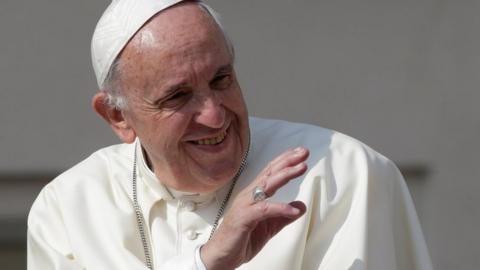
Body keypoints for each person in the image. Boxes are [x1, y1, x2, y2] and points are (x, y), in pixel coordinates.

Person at [27, 0, 433, 269]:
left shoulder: (343, 175)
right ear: (117, 116)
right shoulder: (65, 210)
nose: (215, 115)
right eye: (179, 96)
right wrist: (205, 262)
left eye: (222, 79)